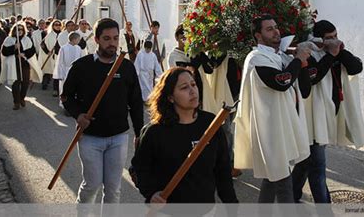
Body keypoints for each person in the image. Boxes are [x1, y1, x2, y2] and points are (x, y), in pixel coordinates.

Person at [61, 18, 144, 204]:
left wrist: (139, 133)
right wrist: (78, 114)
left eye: (115, 38)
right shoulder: (82, 66)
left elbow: (136, 103)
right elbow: (66, 96)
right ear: (96, 40)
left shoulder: (126, 67)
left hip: (119, 137)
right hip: (90, 137)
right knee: (92, 185)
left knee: (113, 189)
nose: (112, 43)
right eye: (106, 38)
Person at [131, 67, 238, 204]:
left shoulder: (211, 124)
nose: (192, 91)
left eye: (193, 85)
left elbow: (222, 171)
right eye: (184, 88)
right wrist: (151, 194)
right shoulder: (155, 132)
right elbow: (140, 169)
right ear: (170, 97)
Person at [234, 14, 311, 203]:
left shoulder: (280, 56)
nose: (276, 31)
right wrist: (297, 60)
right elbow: (282, 81)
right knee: (284, 186)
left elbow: (305, 89)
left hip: (283, 126)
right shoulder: (256, 58)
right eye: (269, 29)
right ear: (258, 36)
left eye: (276, 27)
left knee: (272, 179)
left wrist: (300, 61)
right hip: (270, 131)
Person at [291, 20, 364, 203]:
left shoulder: (336, 52)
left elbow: (356, 67)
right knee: (317, 167)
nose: (334, 41)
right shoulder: (310, 53)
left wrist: (338, 51)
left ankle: (290, 196)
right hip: (312, 119)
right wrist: (330, 55)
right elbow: (313, 77)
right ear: (318, 39)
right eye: (329, 38)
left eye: (336, 36)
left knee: (305, 162)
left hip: (328, 116)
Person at [0, 22, 42, 110]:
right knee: (15, 83)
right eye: (17, 29)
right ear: (14, 30)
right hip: (13, 64)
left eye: (21, 29)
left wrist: (24, 54)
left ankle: (22, 98)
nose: (19, 31)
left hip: (24, 64)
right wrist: (14, 48)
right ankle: (16, 102)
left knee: (25, 83)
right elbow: (4, 52)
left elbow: (32, 51)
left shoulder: (27, 39)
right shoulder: (9, 39)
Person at [39, 19, 62, 95]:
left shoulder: (62, 35)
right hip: (50, 55)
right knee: (48, 70)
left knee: (57, 72)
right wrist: (47, 52)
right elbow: (42, 44)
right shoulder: (49, 35)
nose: (58, 26)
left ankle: (56, 89)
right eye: (56, 25)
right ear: (53, 26)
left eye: (59, 25)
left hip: (59, 55)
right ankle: (44, 83)